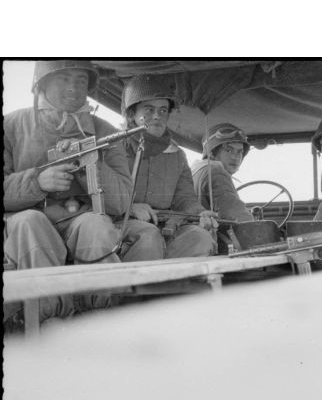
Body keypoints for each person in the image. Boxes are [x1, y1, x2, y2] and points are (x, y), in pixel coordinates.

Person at [4, 60, 134, 324]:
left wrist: (90, 163)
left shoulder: (106, 133)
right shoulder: (10, 125)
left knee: (97, 226)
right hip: (26, 219)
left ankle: (103, 318)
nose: (74, 88)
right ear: (42, 82)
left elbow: (121, 202)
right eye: (64, 78)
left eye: (81, 80)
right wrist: (37, 182)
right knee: (31, 223)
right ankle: (47, 321)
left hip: (80, 218)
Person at [120, 74, 218, 261]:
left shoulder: (176, 154)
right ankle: (135, 288)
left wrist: (200, 213)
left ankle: (173, 288)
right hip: (120, 223)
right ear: (132, 114)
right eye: (148, 110)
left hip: (163, 226)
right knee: (148, 237)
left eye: (163, 110)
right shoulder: (113, 149)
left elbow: (185, 198)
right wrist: (129, 207)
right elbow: (100, 196)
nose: (157, 116)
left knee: (201, 238)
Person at [191, 123, 254, 222]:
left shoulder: (197, 169)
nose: (235, 157)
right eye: (229, 150)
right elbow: (240, 218)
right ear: (211, 153)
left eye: (239, 152)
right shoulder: (216, 171)